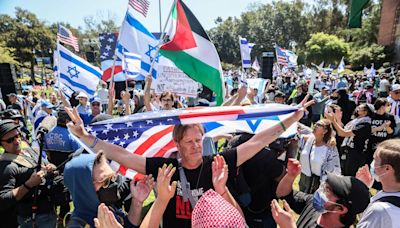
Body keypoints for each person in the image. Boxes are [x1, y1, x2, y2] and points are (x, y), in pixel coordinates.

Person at [65, 95, 314, 227]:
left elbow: (256, 142)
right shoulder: (167, 169)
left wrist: (291, 120)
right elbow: (125, 157)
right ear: (178, 145)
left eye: (199, 140)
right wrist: (90, 139)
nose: (196, 146)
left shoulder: (217, 162)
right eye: (189, 142)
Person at [271, 159, 370, 228]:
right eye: (324, 186)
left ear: (340, 209)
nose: (320, 191)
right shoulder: (314, 205)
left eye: (327, 190)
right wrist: (290, 176)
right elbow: (283, 193)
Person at [64, 152, 151, 228]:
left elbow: (128, 225)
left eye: (112, 177)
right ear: (85, 188)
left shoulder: (106, 207)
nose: (114, 183)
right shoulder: (77, 225)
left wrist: (137, 202)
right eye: (105, 180)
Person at [0, 119, 58, 228]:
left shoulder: (29, 151)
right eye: (10, 140)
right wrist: (29, 184)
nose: (17, 141)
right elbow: (3, 199)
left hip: (49, 209)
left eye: (18, 136)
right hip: (32, 218)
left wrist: (52, 168)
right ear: (1, 144)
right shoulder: (7, 167)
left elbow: (50, 166)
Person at [356, 139, 400, 228]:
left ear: (387, 169)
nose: (372, 164)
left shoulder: (379, 212)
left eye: (375, 160)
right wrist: (364, 189)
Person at [326, 103, 372, 176]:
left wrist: (333, 121)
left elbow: (343, 133)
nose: (357, 108)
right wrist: (337, 119)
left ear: (365, 112)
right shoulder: (356, 121)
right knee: (343, 172)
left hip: (356, 153)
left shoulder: (365, 124)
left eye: (360, 108)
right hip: (348, 150)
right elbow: (341, 130)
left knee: (349, 175)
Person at [298, 119, 341, 194]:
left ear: (325, 131)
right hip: (304, 179)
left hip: (319, 184)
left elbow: (333, 169)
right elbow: (300, 127)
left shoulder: (329, 148)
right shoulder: (310, 139)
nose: (315, 125)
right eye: (315, 123)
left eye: (319, 125)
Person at [368, 98, 396, 164]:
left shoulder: (390, 117)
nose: (390, 107)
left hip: (384, 144)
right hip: (371, 144)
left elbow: (391, 132)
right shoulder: (371, 116)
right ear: (382, 106)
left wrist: (387, 127)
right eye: (388, 105)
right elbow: (367, 130)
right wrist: (380, 127)